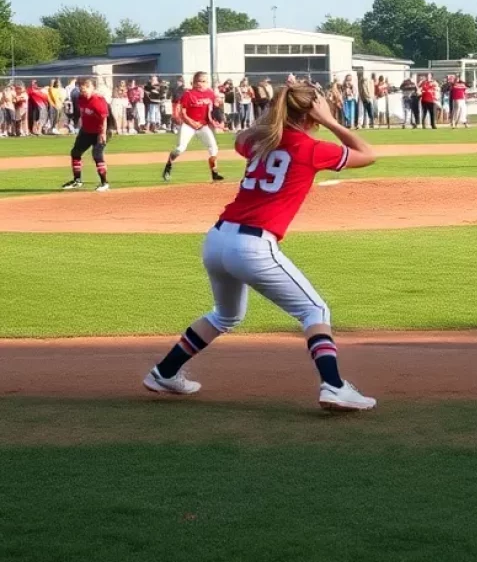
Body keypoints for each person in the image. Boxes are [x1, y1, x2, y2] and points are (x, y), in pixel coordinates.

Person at [142, 82, 378, 412]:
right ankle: (334, 386)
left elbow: (241, 140)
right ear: (312, 113)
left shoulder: (260, 140)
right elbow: (369, 154)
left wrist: (275, 110)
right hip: (253, 245)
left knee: (226, 314)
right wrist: (330, 121)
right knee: (315, 311)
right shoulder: (311, 148)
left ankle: (164, 372)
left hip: (218, 238)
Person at [162, 72, 224, 183]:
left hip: (202, 125)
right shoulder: (188, 94)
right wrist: (192, 123)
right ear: (194, 83)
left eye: (204, 81)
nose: (201, 84)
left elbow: (215, 108)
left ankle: (214, 173)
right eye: (198, 81)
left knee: (213, 148)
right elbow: (183, 113)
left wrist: (218, 117)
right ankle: (168, 166)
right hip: (188, 125)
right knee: (180, 148)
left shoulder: (210, 93)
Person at [60, 77, 111, 192]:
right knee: (75, 152)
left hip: (100, 131)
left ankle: (104, 183)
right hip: (86, 131)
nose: (84, 92)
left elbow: (104, 119)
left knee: (97, 155)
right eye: (82, 89)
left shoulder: (98, 100)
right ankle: (77, 181)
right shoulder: (80, 98)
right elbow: (79, 114)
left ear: (92, 88)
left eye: (86, 89)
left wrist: (102, 133)